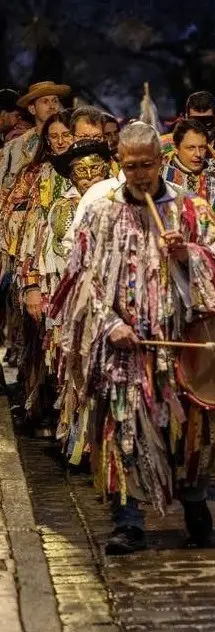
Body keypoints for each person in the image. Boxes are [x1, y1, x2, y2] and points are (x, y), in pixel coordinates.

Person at [53, 122, 215, 555]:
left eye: (147, 164)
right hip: (126, 344)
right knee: (125, 427)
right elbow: (81, 279)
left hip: (181, 341)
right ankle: (128, 518)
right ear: (120, 163)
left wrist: (188, 254)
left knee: (190, 427)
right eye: (130, 165)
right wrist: (107, 324)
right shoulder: (100, 213)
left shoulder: (189, 208)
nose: (139, 173)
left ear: (161, 161)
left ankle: (194, 502)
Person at [25, 139, 112, 437]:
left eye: (95, 169)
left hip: (114, 299)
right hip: (75, 300)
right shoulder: (62, 208)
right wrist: (34, 287)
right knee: (77, 366)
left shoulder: (121, 198)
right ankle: (81, 437)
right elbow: (48, 252)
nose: (89, 177)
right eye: (81, 171)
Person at [2, 112, 74, 431]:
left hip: (81, 276)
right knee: (48, 340)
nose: (59, 142)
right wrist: (31, 282)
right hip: (46, 274)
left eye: (66, 136)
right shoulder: (36, 175)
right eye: (53, 137)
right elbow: (21, 226)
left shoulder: (97, 173)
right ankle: (48, 406)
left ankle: (74, 417)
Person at [0, 81, 69, 190]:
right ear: (32, 109)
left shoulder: (70, 138)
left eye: (55, 101)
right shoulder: (15, 147)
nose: (52, 106)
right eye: (45, 101)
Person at [162, 119, 215, 220]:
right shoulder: (161, 177)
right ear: (175, 148)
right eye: (190, 148)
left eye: (202, 148)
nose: (198, 154)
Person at [160, 90, 215, 157]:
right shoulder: (166, 145)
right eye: (196, 121)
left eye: (207, 120)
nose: (201, 127)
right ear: (186, 118)